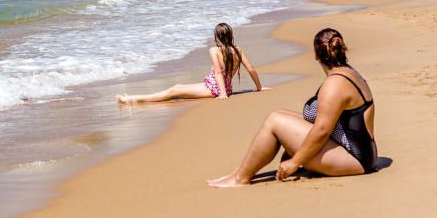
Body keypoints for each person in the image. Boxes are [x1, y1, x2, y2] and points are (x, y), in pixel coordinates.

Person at [208, 28, 376, 187]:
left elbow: (322, 130)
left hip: (354, 158)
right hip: (362, 153)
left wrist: (294, 162)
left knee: (275, 120)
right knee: (279, 114)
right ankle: (238, 172)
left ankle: (240, 179)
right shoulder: (348, 72)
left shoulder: (334, 84)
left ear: (316, 56)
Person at [117, 23, 263, 103]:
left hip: (215, 89)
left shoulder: (214, 50)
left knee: (173, 91)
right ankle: (133, 98)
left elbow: (218, 73)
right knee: (177, 89)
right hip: (220, 88)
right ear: (230, 35)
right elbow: (251, 69)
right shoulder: (237, 50)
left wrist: (223, 94)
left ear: (216, 36)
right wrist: (259, 88)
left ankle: (132, 99)